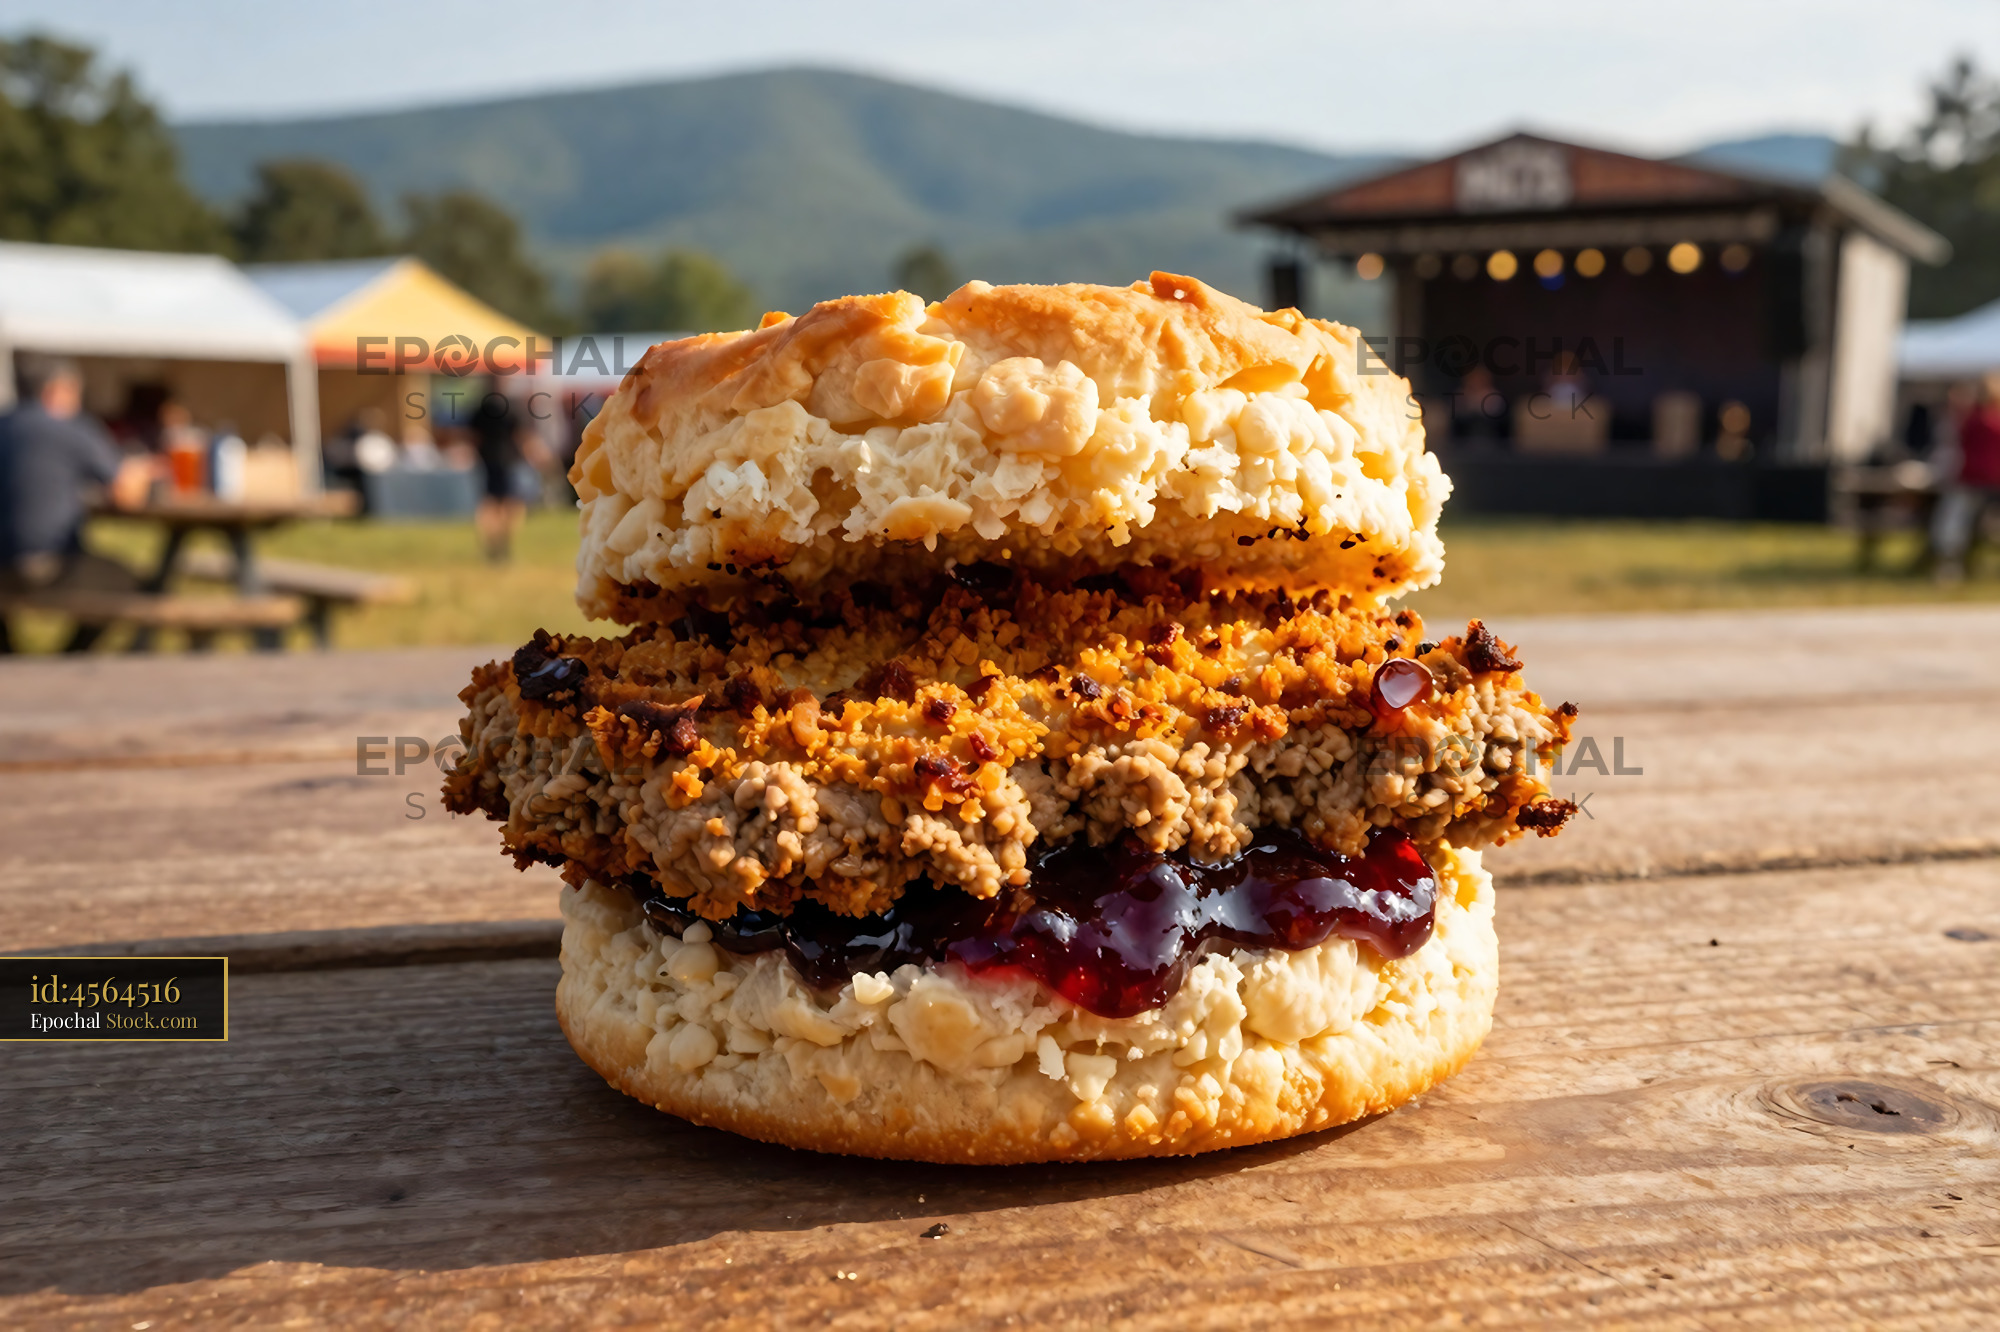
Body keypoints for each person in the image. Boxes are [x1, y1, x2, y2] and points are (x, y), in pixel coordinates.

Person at [0, 355, 152, 652]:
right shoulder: (71, 429)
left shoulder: (5, 425)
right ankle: (70, 656)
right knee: (133, 583)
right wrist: (145, 472)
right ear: (59, 390)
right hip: (46, 565)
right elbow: (126, 493)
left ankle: (9, 652)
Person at [469, 382, 549, 563]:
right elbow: (522, 435)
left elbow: (472, 435)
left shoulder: (481, 407)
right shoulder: (512, 407)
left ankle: (493, 543)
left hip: (488, 460)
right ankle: (504, 542)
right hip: (510, 461)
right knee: (511, 504)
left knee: (491, 503)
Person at [1933, 372, 2000, 582]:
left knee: (1956, 522)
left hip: (1985, 480)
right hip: (1974, 479)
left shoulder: (1973, 418)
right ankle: (1950, 565)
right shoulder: (1974, 418)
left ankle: (1951, 564)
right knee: (1955, 522)